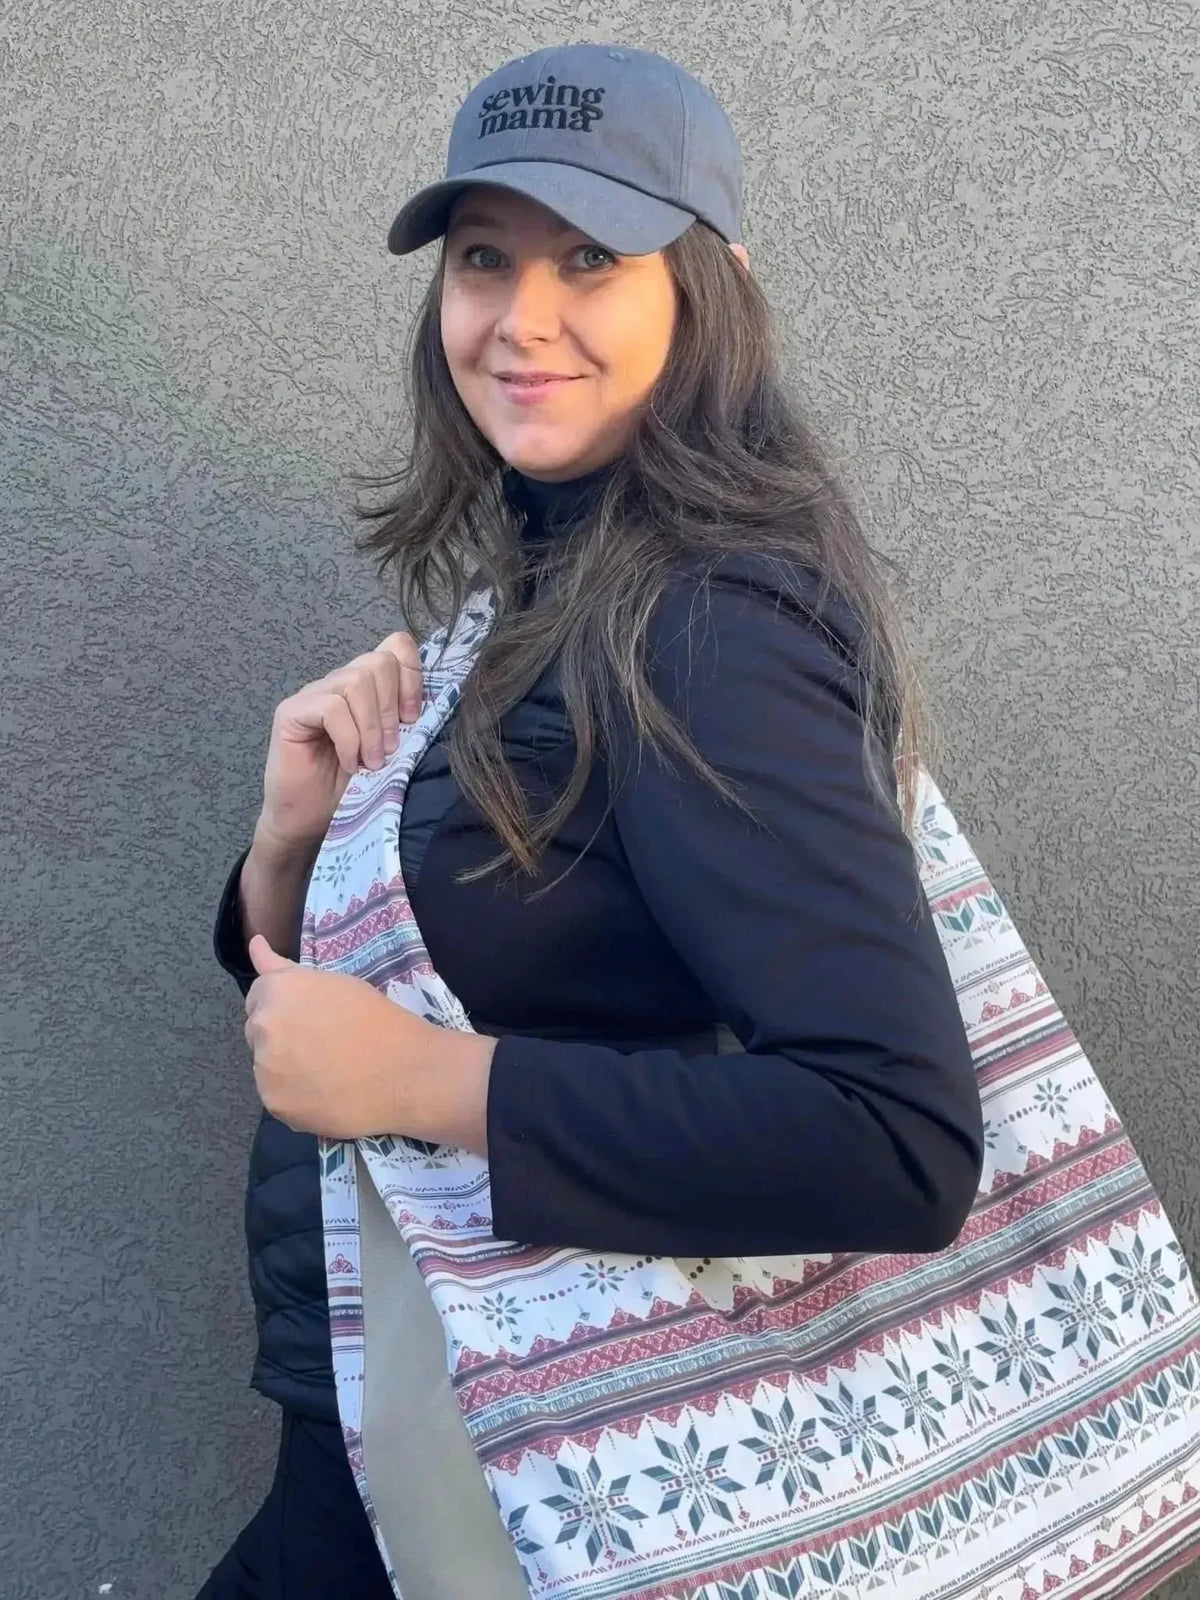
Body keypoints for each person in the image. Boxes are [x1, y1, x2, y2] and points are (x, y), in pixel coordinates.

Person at [197, 41, 985, 1600]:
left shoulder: (708, 623)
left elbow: (898, 1139)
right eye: (484, 258)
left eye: (592, 257)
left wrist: (424, 1080)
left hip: (534, 1457)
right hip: (408, 1416)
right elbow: (494, 969)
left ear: (711, 290)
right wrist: (290, 847)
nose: (521, 317)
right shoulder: (553, 574)